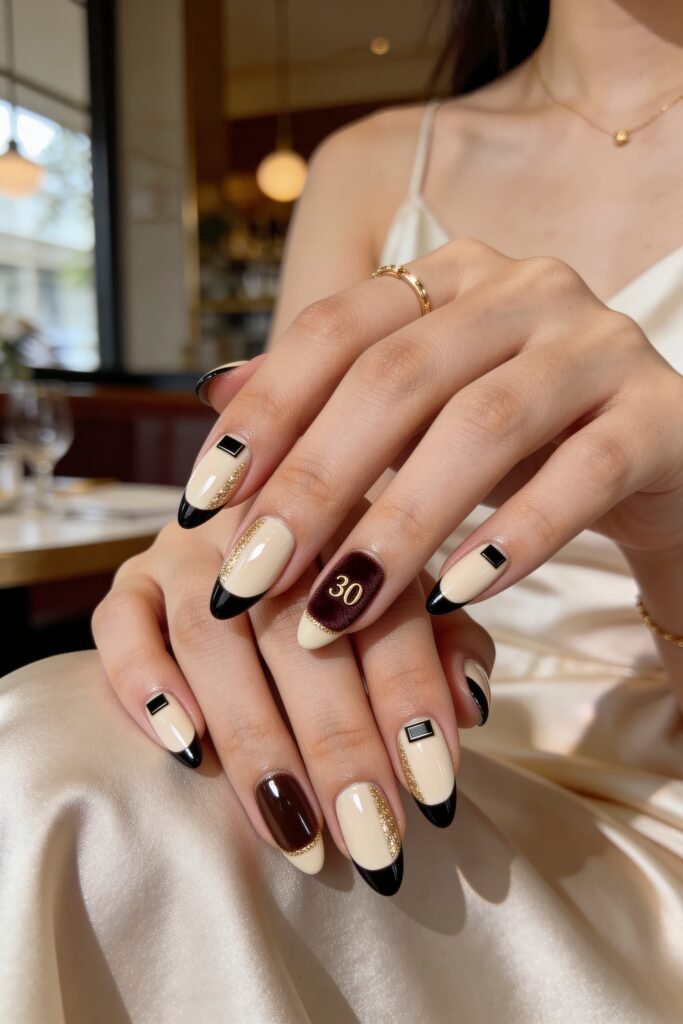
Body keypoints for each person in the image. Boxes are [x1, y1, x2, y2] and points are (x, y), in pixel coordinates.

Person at [2, 0, 683, 1020]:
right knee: (56, 763)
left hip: (655, 816)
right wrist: (221, 571)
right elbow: (278, 512)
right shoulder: (370, 164)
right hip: (402, 749)